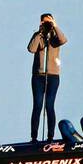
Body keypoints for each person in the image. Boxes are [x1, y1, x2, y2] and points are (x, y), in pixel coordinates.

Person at [28, 13, 67, 141]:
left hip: (53, 77)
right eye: (44, 22)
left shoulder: (54, 37)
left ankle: (50, 136)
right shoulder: (38, 36)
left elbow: (63, 40)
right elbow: (31, 49)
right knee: (37, 105)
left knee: (49, 105)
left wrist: (54, 26)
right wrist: (39, 32)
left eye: (48, 22)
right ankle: (34, 137)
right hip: (38, 76)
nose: (46, 24)